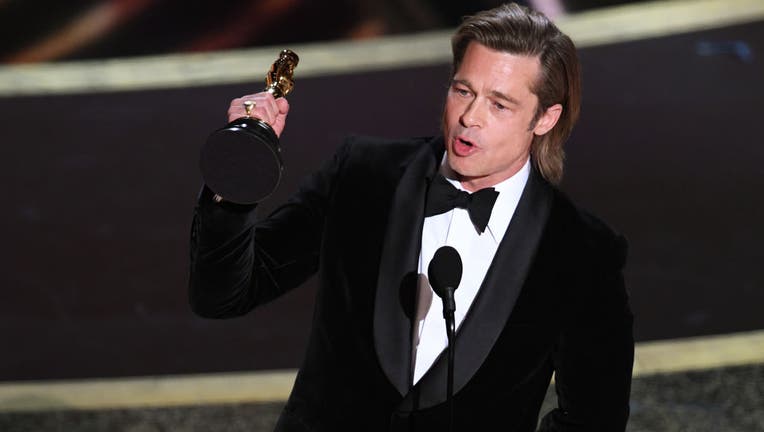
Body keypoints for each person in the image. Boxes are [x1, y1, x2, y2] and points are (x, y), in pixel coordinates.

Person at [189, 2, 634, 430]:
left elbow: (593, 419)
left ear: (545, 118)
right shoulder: (362, 174)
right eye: (463, 90)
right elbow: (224, 296)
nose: (469, 118)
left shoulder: (583, 251)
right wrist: (237, 171)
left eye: (499, 104)